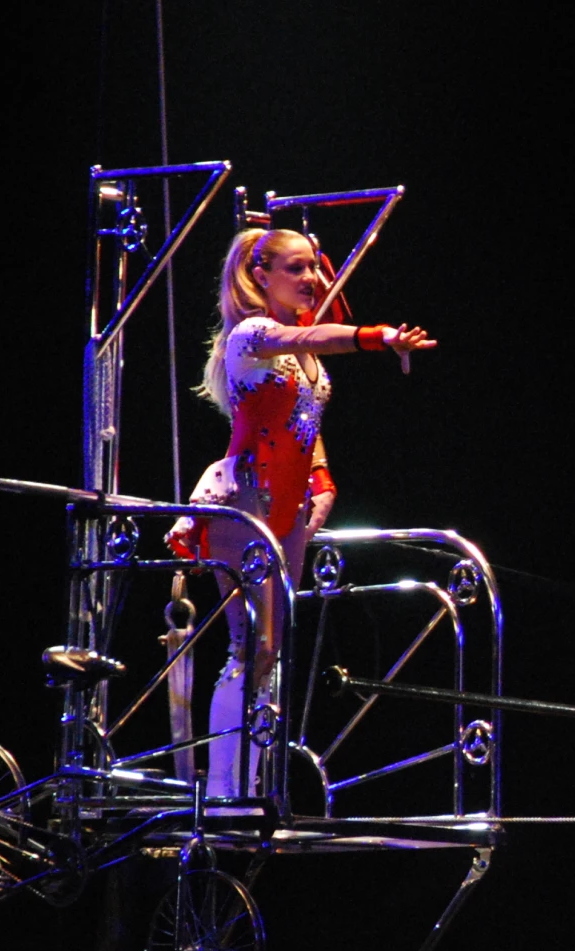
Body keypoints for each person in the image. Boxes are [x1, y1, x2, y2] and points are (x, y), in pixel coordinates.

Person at [167, 226, 434, 797]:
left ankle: (253, 788)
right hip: (245, 498)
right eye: (297, 268)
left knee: (272, 649)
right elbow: (323, 338)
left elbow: (305, 426)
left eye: (314, 267)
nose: (312, 278)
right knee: (251, 646)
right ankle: (223, 794)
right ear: (260, 276)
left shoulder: (300, 353)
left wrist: (324, 482)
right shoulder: (254, 334)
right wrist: (379, 336)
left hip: (286, 508)